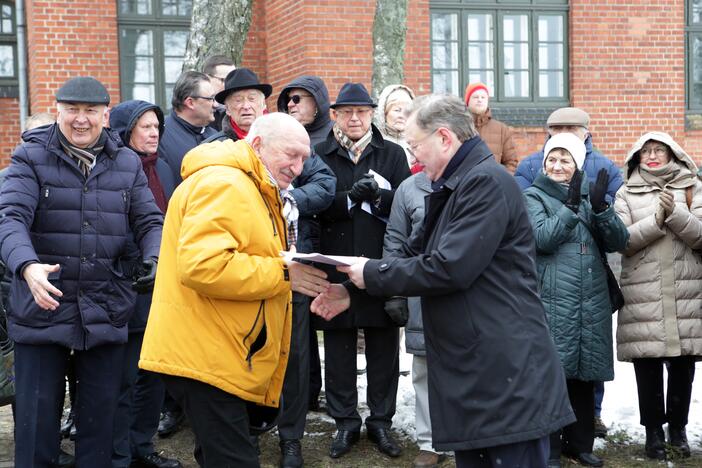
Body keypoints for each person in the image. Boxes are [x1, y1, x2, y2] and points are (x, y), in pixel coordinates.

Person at [311, 94, 574, 468]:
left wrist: (369, 272)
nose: (414, 158)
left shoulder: (486, 184)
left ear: (445, 138)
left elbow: (449, 267)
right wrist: (353, 290)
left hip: (505, 375)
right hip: (480, 373)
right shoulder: (454, 185)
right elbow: (416, 256)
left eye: (416, 146)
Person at [138, 113, 330, 467]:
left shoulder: (251, 184)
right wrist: (284, 274)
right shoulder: (225, 183)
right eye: (291, 155)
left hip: (218, 351)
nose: (299, 168)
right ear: (257, 145)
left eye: (305, 158)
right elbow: (203, 266)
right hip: (206, 356)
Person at [0, 76, 164, 468]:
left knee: (101, 429)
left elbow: (150, 221)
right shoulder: (30, 156)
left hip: (104, 307)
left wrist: (154, 257)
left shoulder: (126, 161)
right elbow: (10, 219)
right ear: (57, 112)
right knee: (37, 428)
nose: (80, 120)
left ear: (106, 116)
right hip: (42, 305)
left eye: (90, 111)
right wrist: (26, 266)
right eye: (71, 110)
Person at [314, 82, 411, 459]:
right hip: (335, 263)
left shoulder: (392, 154)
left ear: (372, 114)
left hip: (378, 263)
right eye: (347, 112)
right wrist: (347, 200)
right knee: (338, 349)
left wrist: (380, 196)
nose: (355, 118)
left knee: (383, 349)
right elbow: (316, 204)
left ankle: (381, 422)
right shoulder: (321, 152)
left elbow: (404, 206)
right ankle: (345, 423)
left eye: (362, 111)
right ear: (335, 115)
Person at [514, 106, 622, 435]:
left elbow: (619, 241)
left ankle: (581, 444)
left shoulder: (593, 197)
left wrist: (603, 210)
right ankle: (550, 446)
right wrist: (571, 208)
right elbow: (543, 239)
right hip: (552, 298)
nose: (557, 166)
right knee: (553, 373)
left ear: (577, 165)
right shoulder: (533, 196)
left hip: (590, 299)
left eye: (565, 160)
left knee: (584, 374)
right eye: (552, 160)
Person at [614, 132, 702, 461]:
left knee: (683, 365)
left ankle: (677, 430)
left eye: (659, 151)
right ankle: (653, 432)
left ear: (672, 155)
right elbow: (621, 239)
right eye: (646, 151)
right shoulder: (625, 192)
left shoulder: (692, 186)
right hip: (644, 291)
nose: (652, 156)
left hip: (685, 289)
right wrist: (656, 221)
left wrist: (677, 214)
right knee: (646, 365)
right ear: (637, 157)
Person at [108, 100, 180, 468]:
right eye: (145, 126)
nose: (154, 133)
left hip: (163, 287)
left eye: (157, 126)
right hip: (124, 287)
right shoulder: (112, 168)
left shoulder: (164, 168)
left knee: (154, 374)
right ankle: (119, 452)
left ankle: (142, 446)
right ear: (126, 130)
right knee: (124, 378)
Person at [274, 76, 336, 468]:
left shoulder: (302, 146)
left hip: (296, 260)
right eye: (288, 100)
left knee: (297, 356)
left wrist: (289, 196)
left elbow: (325, 184)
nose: (294, 104)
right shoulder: (227, 146)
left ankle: (291, 438)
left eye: (301, 99)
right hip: (250, 266)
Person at [382, 170, 443, 468]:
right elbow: (396, 239)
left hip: (467, 291)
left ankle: (469, 437)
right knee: (424, 369)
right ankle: (430, 441)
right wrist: (394, 291)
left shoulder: (475, 180)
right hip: (421, 291)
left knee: (469, 368)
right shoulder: (408, 188)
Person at [159, 71, 217, 185]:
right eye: (210, 99)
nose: (215, 105)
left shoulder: (216, 137)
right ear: (190, 102)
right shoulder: (160, 135)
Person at [205, 67, 271, 143]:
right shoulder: (213, 147)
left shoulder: (280, 138)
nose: (246, 106)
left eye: (252, 99)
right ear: (227, 109)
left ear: (263, 104)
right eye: (238, 100)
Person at [463, 82, 517, 173]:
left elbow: (511, 163)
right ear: (468, 101)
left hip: (493, 185)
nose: (479, 100)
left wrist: (500, 182)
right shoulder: (457, 128)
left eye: (483, 97)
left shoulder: (501, 129)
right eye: (475, 97)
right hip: (463, 186)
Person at [374, 84, 416, 167]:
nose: (401, 115)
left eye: (406, 111)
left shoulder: (418, 143)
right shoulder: (374, 142)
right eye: (397, 110)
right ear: (384, 113)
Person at [201, 55, 236, 131]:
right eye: (223, 80)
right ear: (206, 78)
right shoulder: (197, 110)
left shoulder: (241, 108)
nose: (230, 84)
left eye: (233, 80)